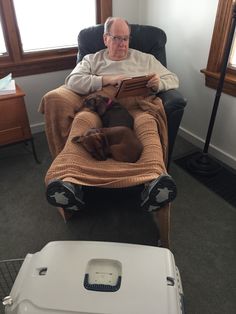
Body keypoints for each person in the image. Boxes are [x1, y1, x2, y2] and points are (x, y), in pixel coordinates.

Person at [42, 17, 179, 214]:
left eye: (126, 39)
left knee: (147, 125)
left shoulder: (145, 59)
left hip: (137, 105)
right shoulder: (92, 59)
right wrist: (106, 79)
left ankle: (154, 184)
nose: (122, 44)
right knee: (83, 123)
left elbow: (173, 78)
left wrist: (160, 83)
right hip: (102, 106)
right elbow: (72, 81)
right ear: (105, 38)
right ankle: (69, 182)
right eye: (116, 38)